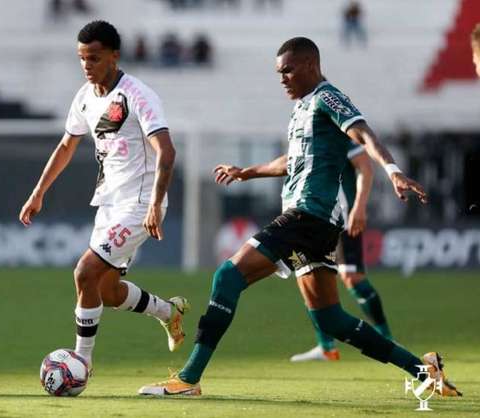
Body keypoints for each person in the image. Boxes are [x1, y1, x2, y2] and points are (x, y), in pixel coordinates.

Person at [138, 37, 462, 397]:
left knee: (228, 275)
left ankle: (189, 378)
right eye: (279, 72)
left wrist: (393, 169)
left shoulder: (328, 97)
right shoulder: (302, 109)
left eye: (288, 70)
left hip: (309, 214)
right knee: (330, 318)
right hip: (316, 225)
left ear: (310, 64)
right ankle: (424, 370)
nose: (282, 78)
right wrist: (248, 172)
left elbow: (363, 133)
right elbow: (291, 161)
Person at [19, 20, 189, 371]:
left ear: (115, 55)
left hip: (140, 204)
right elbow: (66, 145)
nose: (86, 65)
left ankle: (81, 363)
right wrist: (38, 192)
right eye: (82, 58)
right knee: (108, 292)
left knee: (84, 273)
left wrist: (155, 204)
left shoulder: (138, 95)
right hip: (109, 204)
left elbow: (167, 151)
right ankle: (169, 311)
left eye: (94, 58)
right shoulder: (85, 98)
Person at [290, 143, 394, 362]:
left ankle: (387, 338)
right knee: (309, 279)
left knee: (352, 278)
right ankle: (326, 347)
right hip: (313, 219)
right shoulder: (307, 135)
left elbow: (365, 167)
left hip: (343, 219)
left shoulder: (342, 135)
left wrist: (360, 206)